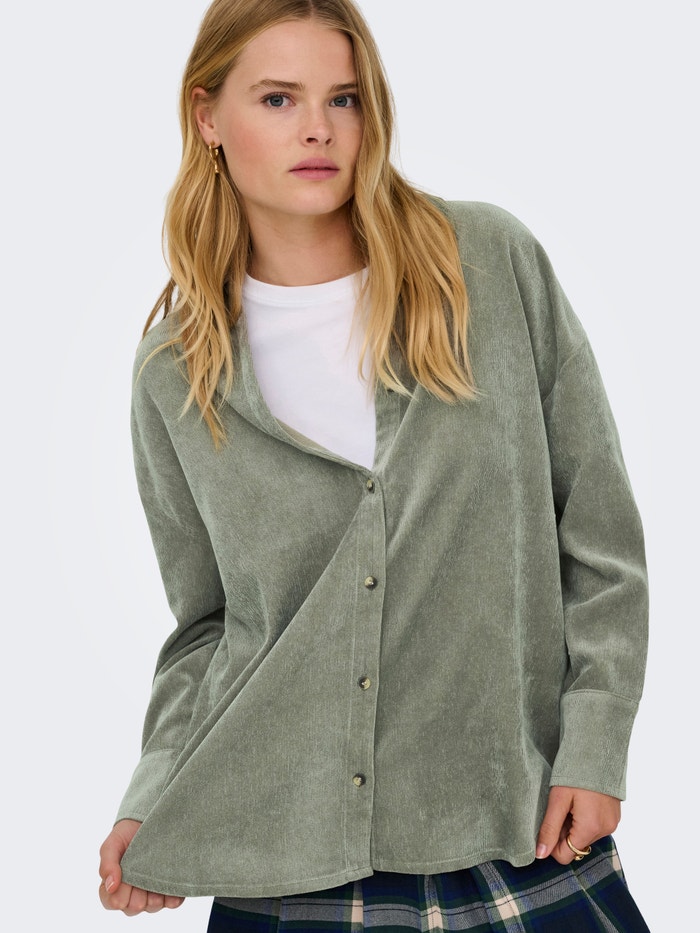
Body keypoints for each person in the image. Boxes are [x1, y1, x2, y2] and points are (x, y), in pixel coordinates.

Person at [98, 0, 650, 929]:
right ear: (208, 116)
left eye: (344, 98)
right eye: (278, 99)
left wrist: (595, 746)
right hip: (280, 859)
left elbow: (600, 542)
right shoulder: (176, 373)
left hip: (514, 834)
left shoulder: (488, 266)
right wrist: (153, 792)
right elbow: (210, 626)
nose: (318, 128)